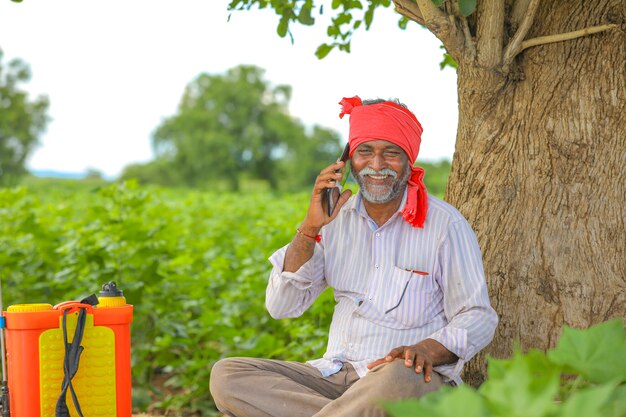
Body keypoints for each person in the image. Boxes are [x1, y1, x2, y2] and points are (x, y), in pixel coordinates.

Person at [210, 96, 498, 417]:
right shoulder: (334, 221)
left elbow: (478, 316)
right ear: (347, 162)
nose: (376, 165)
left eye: (391, 153)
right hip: (335, 376)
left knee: (397, 381)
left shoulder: (445, 225)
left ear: (409, 160)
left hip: (404, 379)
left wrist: (426, 349)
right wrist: (310, 226)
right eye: (365, 152)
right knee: (228, 375)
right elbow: (283, 306)